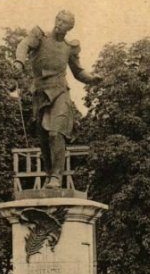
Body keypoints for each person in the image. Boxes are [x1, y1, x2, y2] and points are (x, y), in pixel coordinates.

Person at [14, 10, 102, 189]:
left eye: (64, 22)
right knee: (44, 138)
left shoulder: (69, 47)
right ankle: (49, 175)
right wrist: (19, 62)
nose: (59, 24)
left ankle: (56, 176)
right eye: (58, 20)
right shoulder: (40, 36)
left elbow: (78, 71)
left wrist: (92, 78)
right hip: (40, 93)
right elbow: (23, 45)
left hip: (60, 92)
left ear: (69, 28)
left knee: (56, 132)